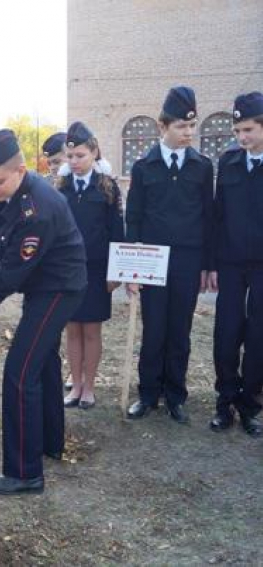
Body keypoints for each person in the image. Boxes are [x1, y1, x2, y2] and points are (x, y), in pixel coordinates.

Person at [0, 129, 87, 495]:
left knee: (20, 372)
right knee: (43, 363)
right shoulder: (12, 192)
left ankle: (24, 473)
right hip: (44, 283)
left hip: (58, 287)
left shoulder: (37, 211)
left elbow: (7, 279)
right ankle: (49, 442)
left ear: (21, 170)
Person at [125, 86, 214, 424]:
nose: (188, 133)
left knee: (180, 329)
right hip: (151, 259)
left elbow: (208, 217)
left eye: (192, 126)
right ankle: (148, 394)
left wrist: (208, 265)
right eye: (181, 126)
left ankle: (175, 395)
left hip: (188, 261)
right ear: (163, 127)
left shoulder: (202, 166)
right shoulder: (144, 166)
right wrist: (132, 269)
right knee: (154, 330)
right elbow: (133, 217)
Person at [58, 122, 124, 410]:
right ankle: (75, 384)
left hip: (97, 271)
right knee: (72, 329)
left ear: (94, 153)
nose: (74, 162)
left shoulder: (107, 187)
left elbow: (116, 232)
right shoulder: (60, 189)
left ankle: (89, 387)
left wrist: (115, 272)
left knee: (91, 331)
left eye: (81, 156)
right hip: (68, 271)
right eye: (70, 157)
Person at [209, 91, 263, 437]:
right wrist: (213, 263)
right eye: (237, 130)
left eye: (248, 130)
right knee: (226, 332)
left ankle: (249, 406)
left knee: (259, 335)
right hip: (229, 263)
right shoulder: (228, 162)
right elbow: (217, 216)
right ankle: (225, 402)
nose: (242, 137)